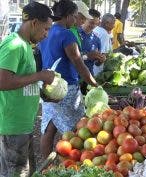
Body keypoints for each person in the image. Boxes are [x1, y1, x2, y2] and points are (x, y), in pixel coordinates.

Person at [0, 2, 57, 176]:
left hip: (22, 126)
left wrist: (44, 94)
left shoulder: (25, 45)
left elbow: (21, 81)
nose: (46, 35)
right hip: (12, 128)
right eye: (45, 29)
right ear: (34, 23)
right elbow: (3, 81)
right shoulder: (14, 45)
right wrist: (40, 76)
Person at [39, 0, 98, 159]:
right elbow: (79, 64)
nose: (75, 20)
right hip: (65, 88)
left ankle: (46, 166)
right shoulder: (66, 34)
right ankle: (69, 163)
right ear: (66, 16)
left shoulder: (46, 31)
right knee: (75, 130)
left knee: (49, 126)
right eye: (74, 16)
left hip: (48, 86)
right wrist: (94, 83)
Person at [79, 9, 105, 94]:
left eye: (96, 23)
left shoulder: (96, 39)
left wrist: (101, 60)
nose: (93, 25)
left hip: (89, 77)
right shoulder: (75, 33)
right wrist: (88, 56)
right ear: (85, 19)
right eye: (91, 22)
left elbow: (97, 63)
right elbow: (71, 57)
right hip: (75, 78)